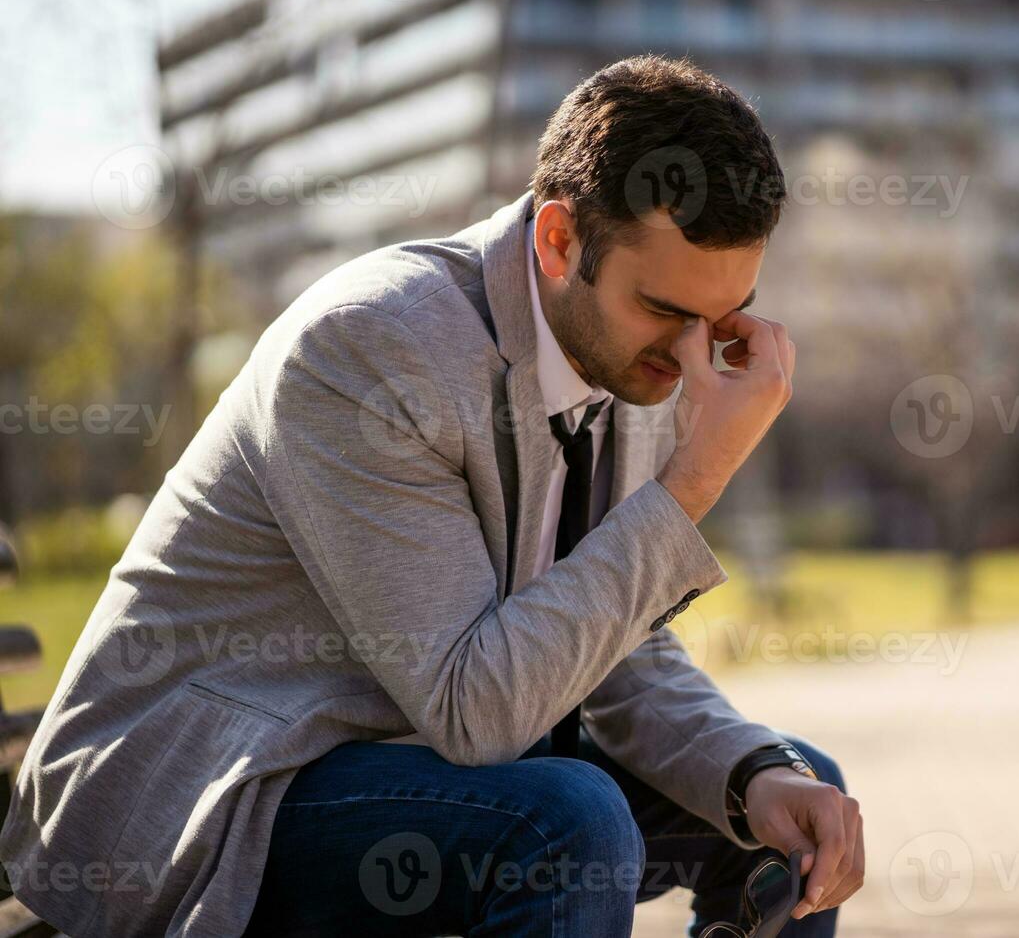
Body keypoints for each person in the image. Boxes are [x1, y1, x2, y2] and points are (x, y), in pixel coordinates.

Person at [0, 56, 864, 937]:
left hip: (403, 760)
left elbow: (609, 638)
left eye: (723, 318)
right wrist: (693, 484)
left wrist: (756, 770)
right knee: (566, 824)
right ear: (559, 242)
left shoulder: (627, 360)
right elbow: (475, 712)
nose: (694, 357)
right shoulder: (373, 351)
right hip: (216, 785)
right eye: (665, 310)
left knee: (790, 814)